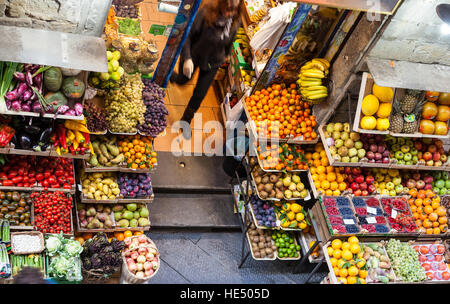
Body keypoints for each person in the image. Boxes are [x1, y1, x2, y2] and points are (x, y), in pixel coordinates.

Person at [171, 0, 241, 138]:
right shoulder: (206, 12)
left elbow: (230, 42)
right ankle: (169, 76)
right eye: (227, 9)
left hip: (212, 63)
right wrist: (187, 58)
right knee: (182, 81)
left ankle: (185, 121)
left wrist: (224, 56)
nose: (229, 13)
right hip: (194, 56)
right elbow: (187, 36)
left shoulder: (233, 22)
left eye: (232, 11)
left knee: (199, 94)